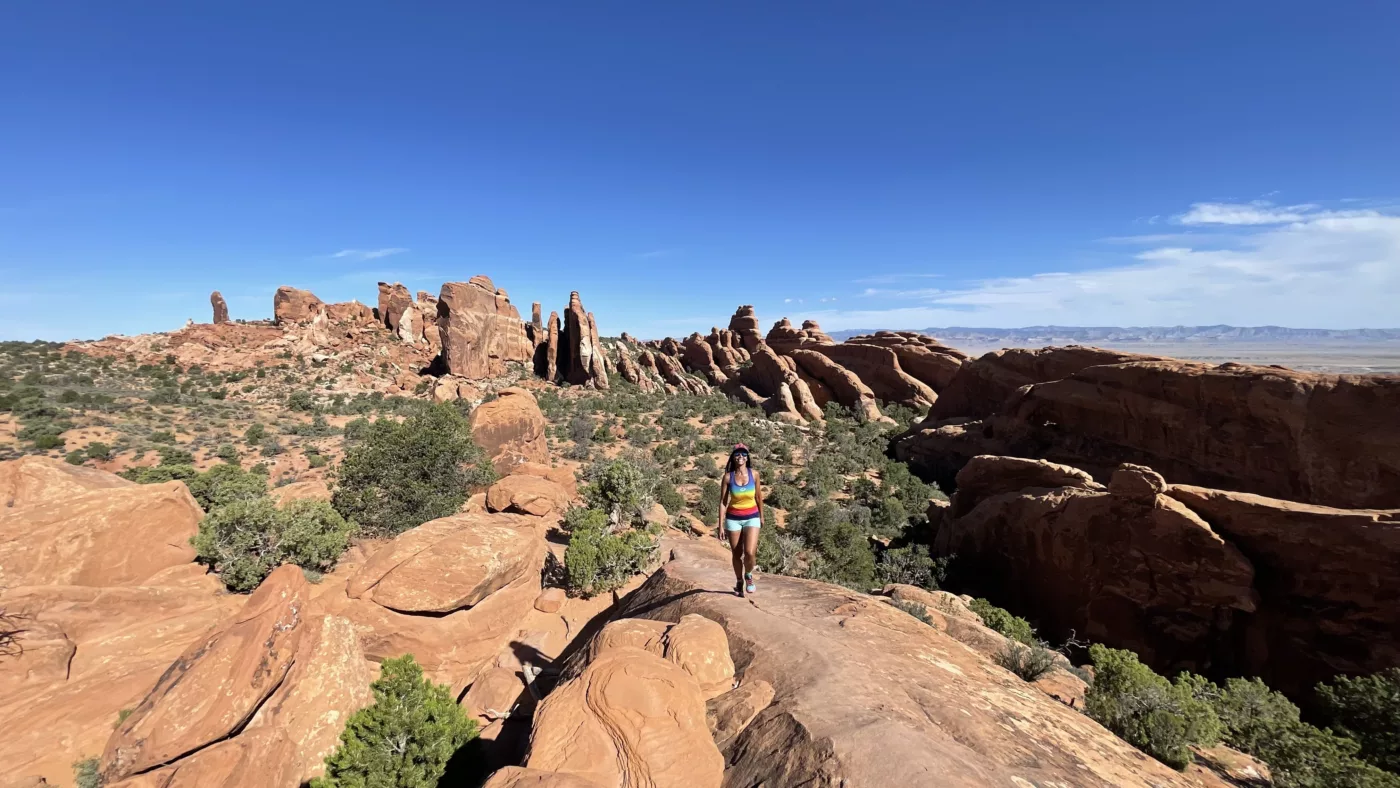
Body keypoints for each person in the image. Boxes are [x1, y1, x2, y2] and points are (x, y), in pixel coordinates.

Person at [716, 443, 763, 596]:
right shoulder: (728, 477)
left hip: (752, 516)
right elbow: (723, 502)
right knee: (736, 554)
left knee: (749, 552)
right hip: (733, 518)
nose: (740, 456)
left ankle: (748, 575)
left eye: (743, 454)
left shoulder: (754, 474)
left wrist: (761, 516)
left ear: (747, 457)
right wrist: (721, 525)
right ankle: (739, 581)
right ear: (733, 457)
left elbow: (758, 497)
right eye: (737, 454)